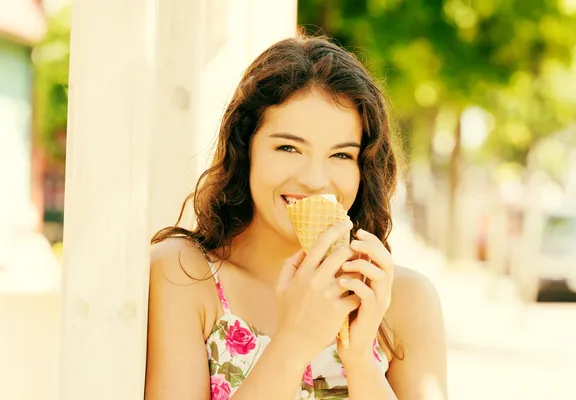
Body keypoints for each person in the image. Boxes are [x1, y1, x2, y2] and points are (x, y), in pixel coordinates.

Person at [144, 34, 447, 400]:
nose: (315, 179)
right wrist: (294, 342)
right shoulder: (184, 276)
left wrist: (359, 359)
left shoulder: (404, 300)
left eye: (341, 155)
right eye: (288, 147)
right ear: (245, 149)